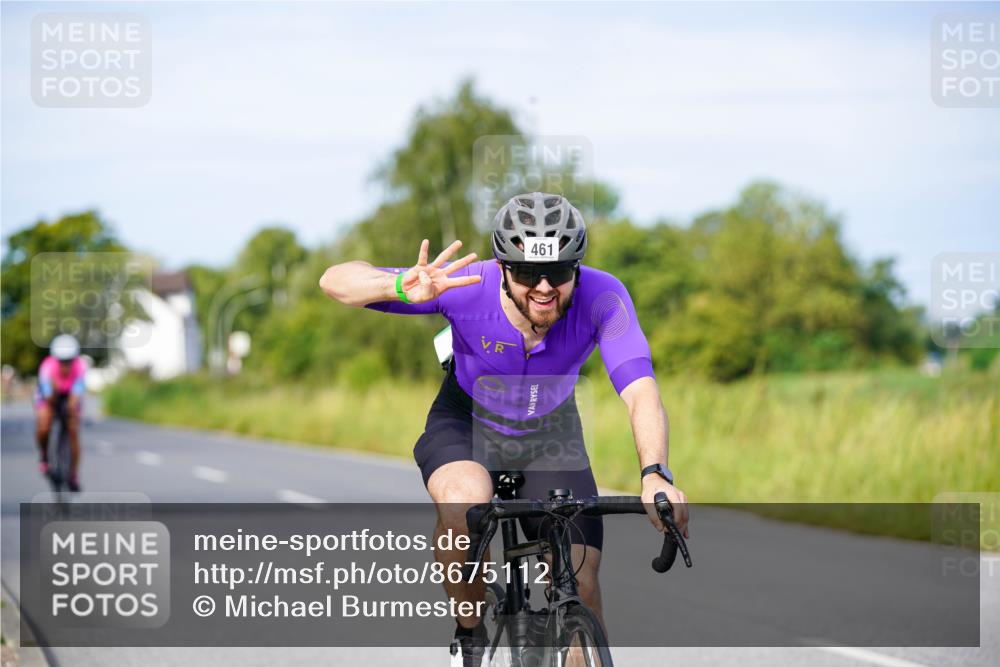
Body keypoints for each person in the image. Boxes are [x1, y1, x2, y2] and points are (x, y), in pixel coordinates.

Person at [320, 193, 689, 665]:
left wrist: (655, 473)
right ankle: (469, 631)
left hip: (550, 435)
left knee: (581, 584)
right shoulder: (464, 286)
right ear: (502, 267)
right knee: (464, 502)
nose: (543, 288)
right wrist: (398, 285)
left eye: (558, 272)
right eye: (527, 273)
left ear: (577, 267)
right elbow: (334, 280)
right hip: (466, 422)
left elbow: (640, 390)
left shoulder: (604, 297)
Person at [35, 334, 86, 492]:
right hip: (50, 396)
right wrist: (53, 394)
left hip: (69, 395)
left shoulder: (80, 367)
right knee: (44, 424)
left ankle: (73, 474)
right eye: (62, 361)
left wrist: (70, 408)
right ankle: (44, 455)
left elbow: (77, 393)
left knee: (73, 430)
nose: (65, 364)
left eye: (69, 360)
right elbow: (47, 396)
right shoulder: (47, 367)